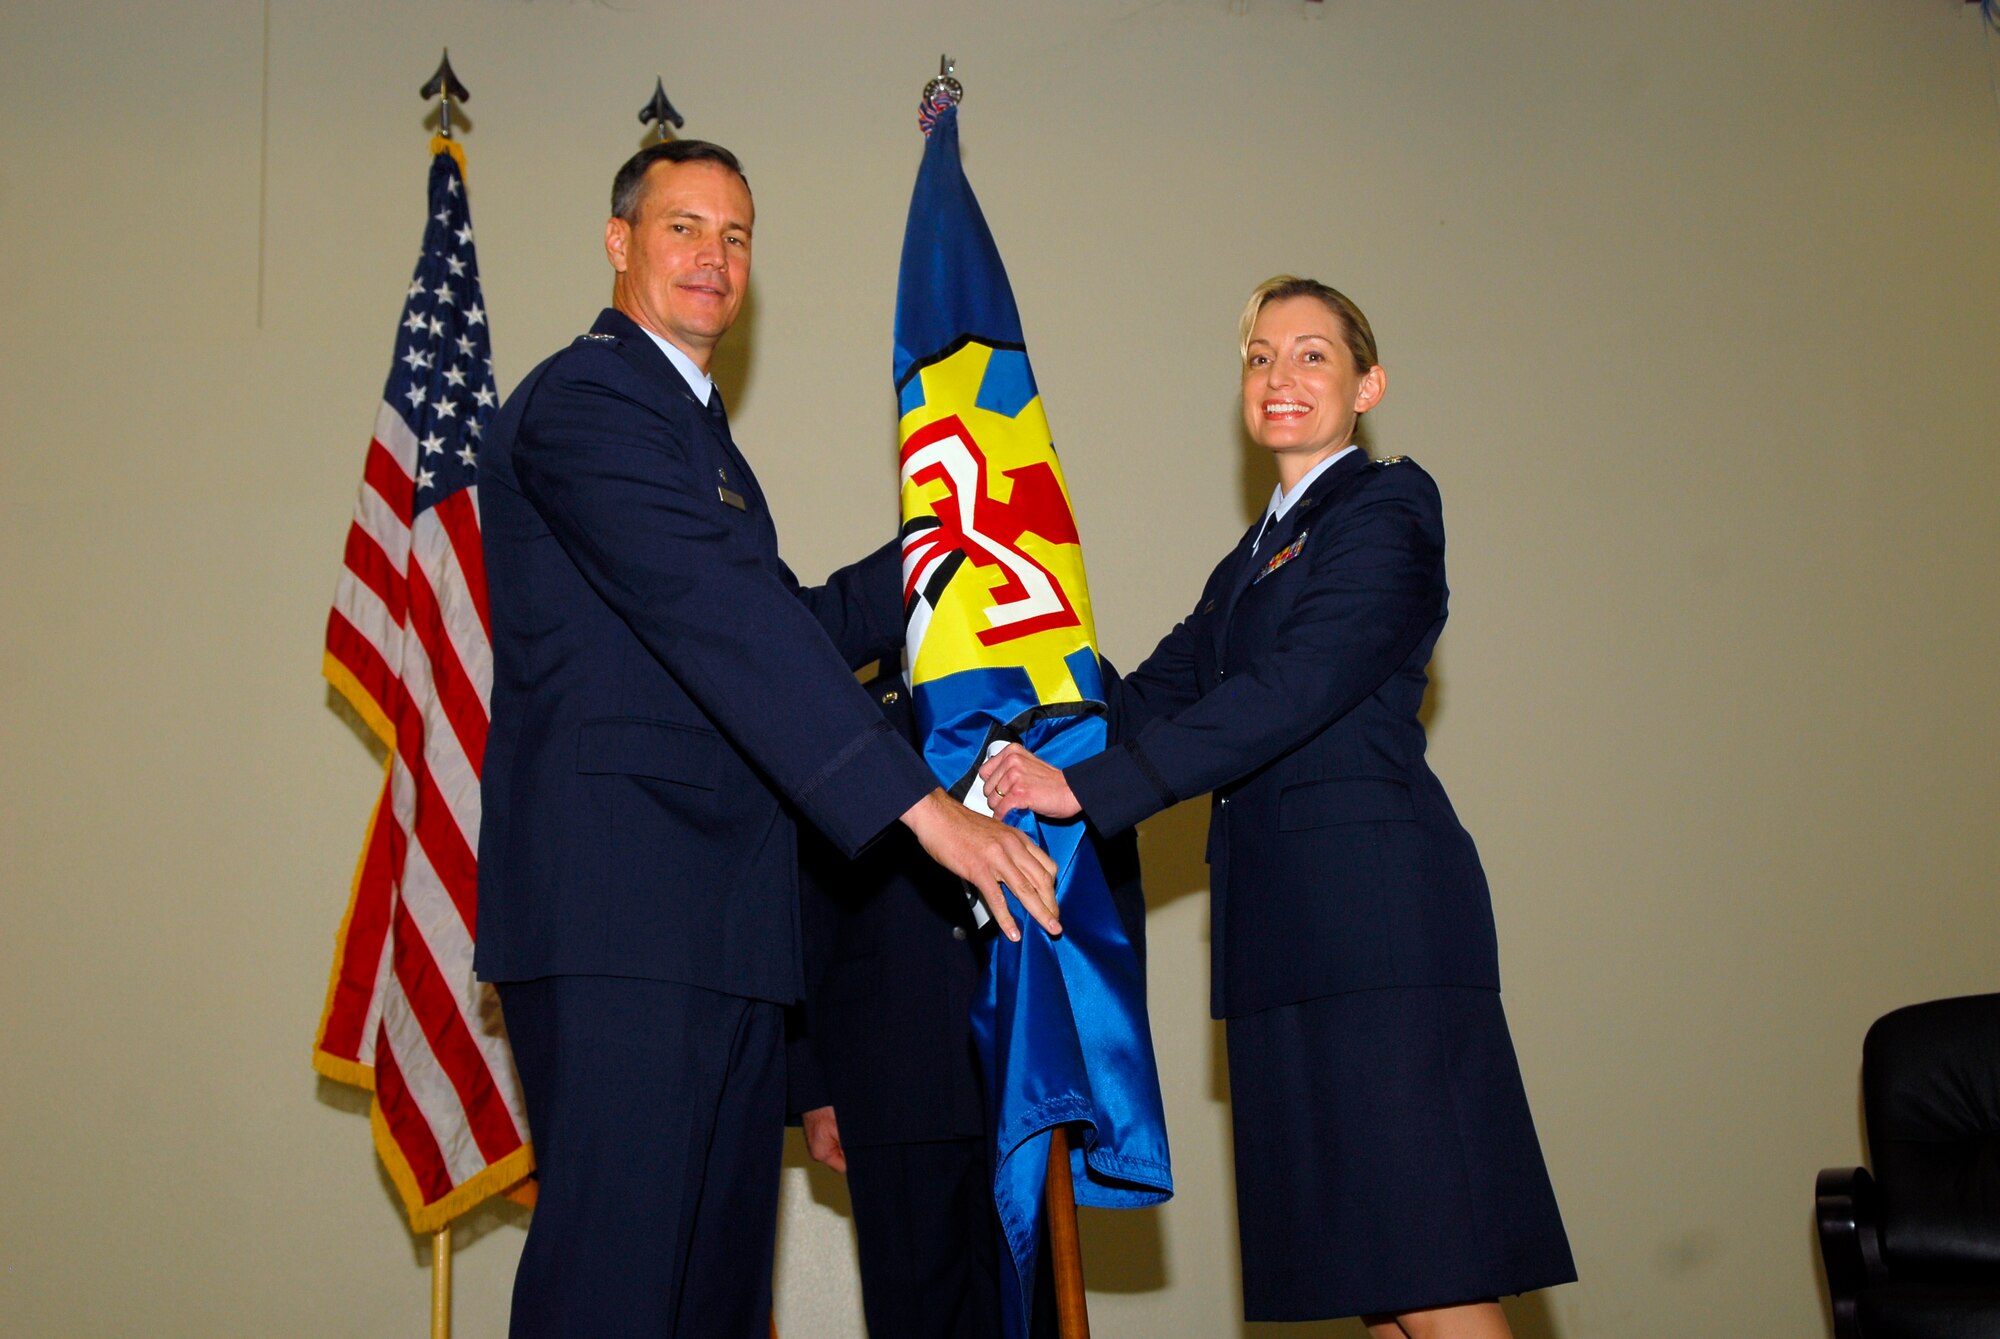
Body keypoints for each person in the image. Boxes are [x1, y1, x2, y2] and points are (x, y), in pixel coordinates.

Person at [474, 139, 1061, 1338]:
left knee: (711, 1300)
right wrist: (920, 805)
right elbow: (715, 612)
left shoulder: (700, 436)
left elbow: (771, 622)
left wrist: (929, 561)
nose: (712, 257)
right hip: (620, 917)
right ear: (618, 241)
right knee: (619, 1288)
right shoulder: (584, 400)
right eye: (683, 227)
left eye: (734, 236)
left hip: (721, 932)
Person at [979, 277, 1575, 1337]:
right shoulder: (1242, 566)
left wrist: (1088, 791)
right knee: (1377, 1289)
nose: (1279, 377)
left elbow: (1291, 689)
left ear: (1365, 384)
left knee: (1434, 1274)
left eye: (1309, 354)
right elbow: (1142, 700)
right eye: (1259, 357)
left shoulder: (1388, 506)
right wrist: (1008, 663)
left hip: (1373, 927)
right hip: (1281, 939)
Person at [787, 666, 1148, 1339]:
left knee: (1037, 1307)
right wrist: (809, 1079)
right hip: (887, 1062)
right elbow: (806, 891)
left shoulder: (1064, 677)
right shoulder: (850, 695)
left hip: (1032, 1059)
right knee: (917, 1314)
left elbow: (1110, 871)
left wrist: (1105, 1055)